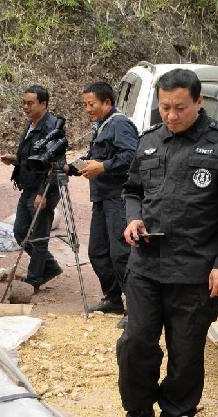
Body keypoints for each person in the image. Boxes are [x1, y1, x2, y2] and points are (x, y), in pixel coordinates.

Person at [117, 69, 218, 417]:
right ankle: (139, 409)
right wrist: (133, 218)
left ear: (199, 102)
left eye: (180, 108)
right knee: (135, 343)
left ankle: (177, 411)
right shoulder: (148, 141)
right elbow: (132, 190)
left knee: (186, 354)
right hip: (146, 266)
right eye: (164, 107)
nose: (171, 116)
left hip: (195, 272)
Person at [68, 81, 138, 318]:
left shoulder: (120, 124)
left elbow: (131, 156)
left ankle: (135, 307)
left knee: (121, 253)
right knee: (98, 251)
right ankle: (113, 298)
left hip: (118, 198)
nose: (87, 109)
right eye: (85, 105)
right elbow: (95, 158)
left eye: (91, 104)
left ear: (107, 102)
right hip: (101, 197)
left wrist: (104, 167)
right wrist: (72, 167)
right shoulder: (101, 125)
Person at [0, 85, 64, 291]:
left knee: (38, 236)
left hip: (43, 189)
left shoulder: (53, 128)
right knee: (20, 232)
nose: (25, 107)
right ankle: (50, 266)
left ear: (43, 104)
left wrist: (43, 192)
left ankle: (34, 279)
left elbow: (55, 164)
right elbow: (34, 157)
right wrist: (17, 160)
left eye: (30, 103)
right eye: (24, 103)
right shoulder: (31, 124)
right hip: (28, 186)